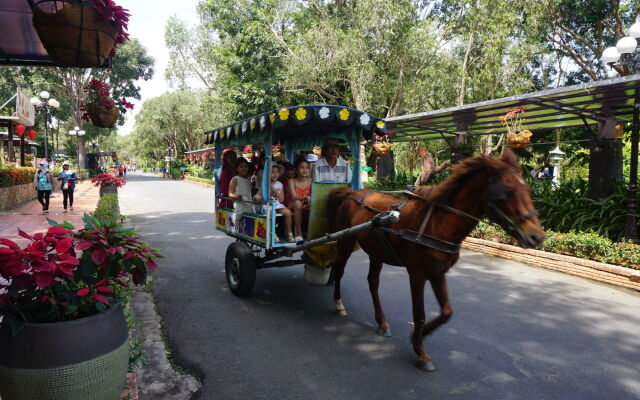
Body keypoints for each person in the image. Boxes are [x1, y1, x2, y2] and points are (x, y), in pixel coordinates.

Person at [255, 163, 293, 242]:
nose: (275, 174)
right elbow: (257, 196)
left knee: (288, 212)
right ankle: (273, 233)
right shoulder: (264, 185)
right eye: (272, 172)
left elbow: (281, 199)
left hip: (277, 204)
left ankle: (289, 233)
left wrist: (274, 189)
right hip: (267, 205)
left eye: (277, 172)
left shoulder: (280, 184)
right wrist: (257, 197)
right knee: (272, 212)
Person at [289, 158, 312, 241]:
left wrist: (309, 200)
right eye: (302, 168)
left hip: (308, 204)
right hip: (294, 204)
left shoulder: (311, 181)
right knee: (297, 203)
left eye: (307, 167)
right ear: (296, 169)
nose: (305, 170)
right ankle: (299, 233)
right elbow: (293, 196)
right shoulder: (291, 181)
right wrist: (305, 197)